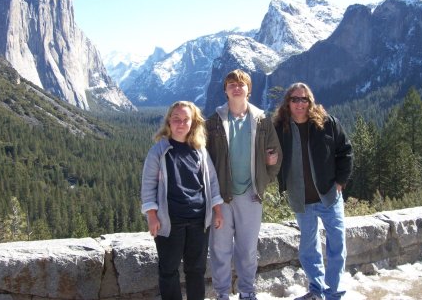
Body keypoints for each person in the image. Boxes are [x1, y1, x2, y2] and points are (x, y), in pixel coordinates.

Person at [205, 69, 282, 300]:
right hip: (222, 197)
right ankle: (222, 294)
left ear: (249, 89)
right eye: (231, 84)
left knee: (248, 250)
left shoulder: (262, 120)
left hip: (251, 196)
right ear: (225, 90)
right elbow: (204, 158)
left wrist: (262, 182)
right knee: (220, 249)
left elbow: (275, 155)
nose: (236, 87)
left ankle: (247, 292)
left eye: (241, 84)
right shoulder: (214, 122)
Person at [273, 83, 353, 300]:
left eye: (304, 99)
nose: (300, 104)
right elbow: (272, 158)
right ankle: (317, 290)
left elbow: (345, 151)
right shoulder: (280, 129)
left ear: (310, 101)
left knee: (337, 245)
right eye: (295, 99)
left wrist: (339, 182)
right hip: (301, 200)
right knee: (308, 249)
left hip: (329, 196)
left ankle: (333, 292)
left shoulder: (327, 124)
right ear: (287, 103)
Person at [141, 101, 224, 300]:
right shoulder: (158, 151)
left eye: (186, 119)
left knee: (196, 269)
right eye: (176, 119)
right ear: (169, 121)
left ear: (193, 123)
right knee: (168, 270)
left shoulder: (200, 151)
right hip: (170, 221)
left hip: (198, 219)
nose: (180, 123)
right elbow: (148, 186)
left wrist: (217, 211)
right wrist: (152, 216)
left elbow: (212, 182)